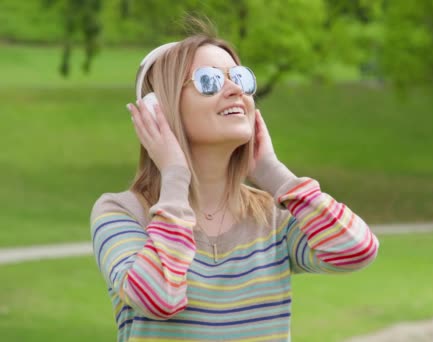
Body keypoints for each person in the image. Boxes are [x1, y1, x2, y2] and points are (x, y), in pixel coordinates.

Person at [90, 25, 379, 342]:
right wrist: (174, 175)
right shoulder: (122, 213)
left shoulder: (270, 217)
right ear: (158, 110)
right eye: (209, 81)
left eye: (240, 78)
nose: (235, 90)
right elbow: (158, 299)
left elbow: (356, 251)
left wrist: (273, 173)